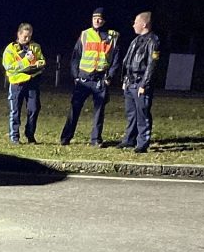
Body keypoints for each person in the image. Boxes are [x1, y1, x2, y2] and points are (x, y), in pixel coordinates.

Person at [60, 8, 120, 147]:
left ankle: (96, 139)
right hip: (84, 79)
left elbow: (115, 59)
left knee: (99, 112)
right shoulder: (85, 35)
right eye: (94, 18)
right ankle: (65, 137)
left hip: (100, 79)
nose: (97, 21)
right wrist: (75, 76)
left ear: (104, 20)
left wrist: (109, 76)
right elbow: (75, 57)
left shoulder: (112, 37)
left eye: (99, 18)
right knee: (74, 109)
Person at [117, 11, 160, 153]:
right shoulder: (135, 41)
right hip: (130, 82)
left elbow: (152, 65)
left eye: (136, 22)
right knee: (131, 113)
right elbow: (128, 61)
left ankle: (143, 142)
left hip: (140, 83)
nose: (133, 25)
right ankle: (129, 139)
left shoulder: (153, 41)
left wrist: (144, 84)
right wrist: (125, 79)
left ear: (144, 24)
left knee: (142, 114)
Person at [1, 23, 45, 143]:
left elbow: (42, 61)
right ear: (18, 34)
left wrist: (39, 64)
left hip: (32, 82)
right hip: (17, 84)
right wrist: (26, 62)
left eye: (29, 36)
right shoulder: (10, 50)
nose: (27, 39)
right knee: (15, 111)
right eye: (25, 36)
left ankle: (30, 135)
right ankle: (14, 137)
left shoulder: (35, 47)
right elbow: (9, 67)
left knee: (34, 109)